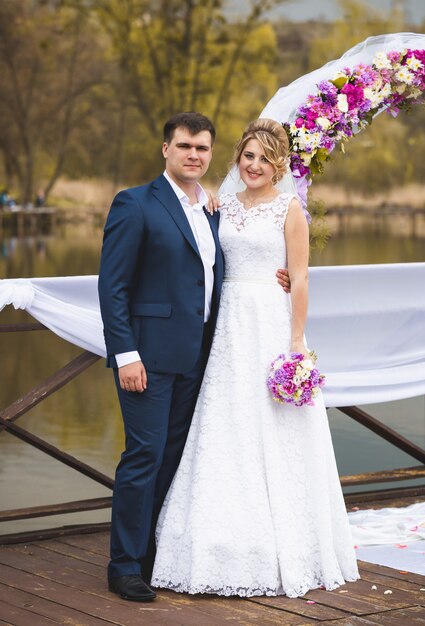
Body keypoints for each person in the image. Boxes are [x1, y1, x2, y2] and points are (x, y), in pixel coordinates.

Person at [151, 118, 360, 598]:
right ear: (237, 160)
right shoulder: (220, 206)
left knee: (276, 427)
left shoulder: (290, 210)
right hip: (226, 328)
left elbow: (301, 278)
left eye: (265, 158)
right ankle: (214, 540)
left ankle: (288, 543)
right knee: (225, 425)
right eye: (248, 156)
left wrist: (295, 340)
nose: (255, 165)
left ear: (279, 164)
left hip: (271, 324)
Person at [98, 112, 290, 602]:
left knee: (173, 459)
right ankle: (123, 567)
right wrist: (125, 354)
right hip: (147, 358)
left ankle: (149, 555)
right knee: (142, 456)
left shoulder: (213, 211)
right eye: (185, 146)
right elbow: (112, 288)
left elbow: (231, 267)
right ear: (166, 149)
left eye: (203, 149)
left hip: (200, 358)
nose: (194, 155)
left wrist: (279, 277)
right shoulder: (135, 203)